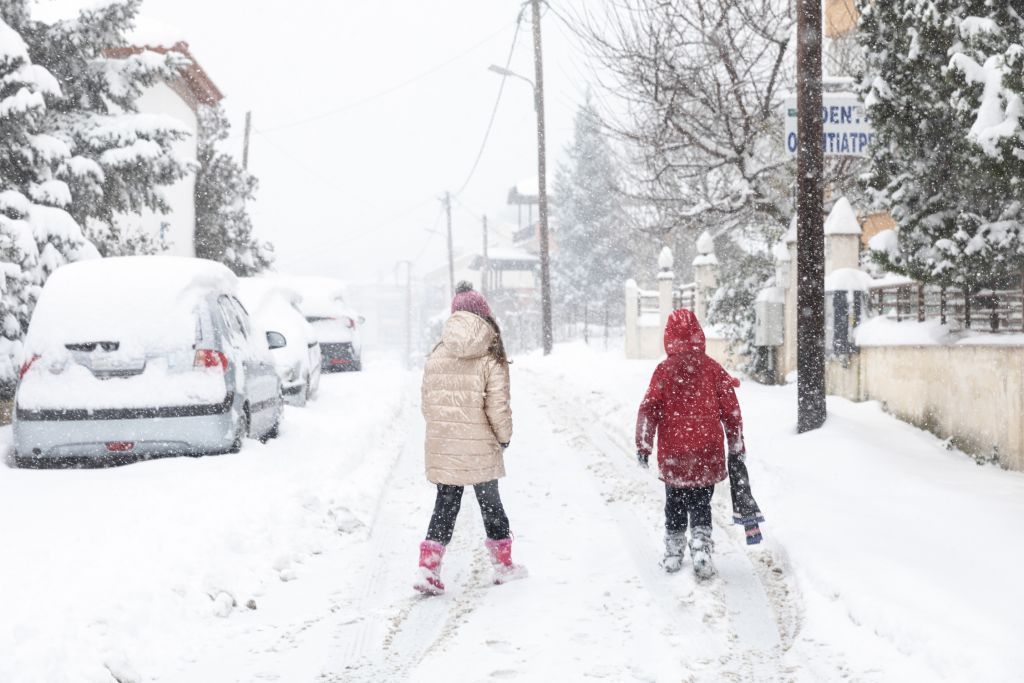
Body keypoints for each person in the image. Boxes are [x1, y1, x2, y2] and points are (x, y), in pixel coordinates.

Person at [414, 282, 526, 595]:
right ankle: (504, 566)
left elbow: (427, 404)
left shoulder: (437, 353)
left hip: (445, 444)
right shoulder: (490, 353)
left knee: (445, 505)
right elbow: (498, 406)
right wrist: (503, 438)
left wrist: (445, 433)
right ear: (484, 314)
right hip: (480, 446)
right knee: (490, 503)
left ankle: (428, 568)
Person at [635, 308, 748, 579]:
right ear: (698, 334)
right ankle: (700, 546)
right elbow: (731, 411)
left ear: (669, 337)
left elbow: (649, 409)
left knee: (674, 500)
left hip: (674, 452)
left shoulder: (664, 371)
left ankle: (674, 551)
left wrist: (643, 444)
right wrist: (736, 445)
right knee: (700, 501)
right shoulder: (711, 368)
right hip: (706, 451)